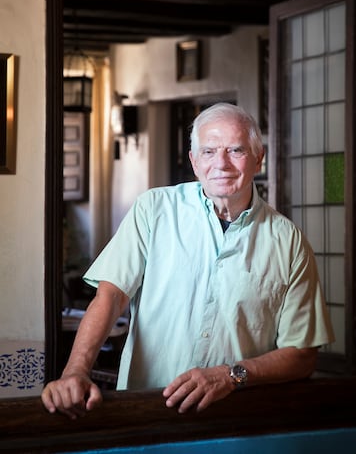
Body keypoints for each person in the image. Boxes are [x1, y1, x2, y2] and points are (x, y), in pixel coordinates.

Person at [42, 102, 334, 419]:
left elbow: (303, 354)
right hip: (146, 409)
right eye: (208, 152)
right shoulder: (153, 209)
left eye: (235, 150)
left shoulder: (288, 241)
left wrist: (231, 375)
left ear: (258, 159)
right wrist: (75, 371)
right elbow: (111, 297)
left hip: (238, 418)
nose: (221, 164)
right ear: (194, 162)